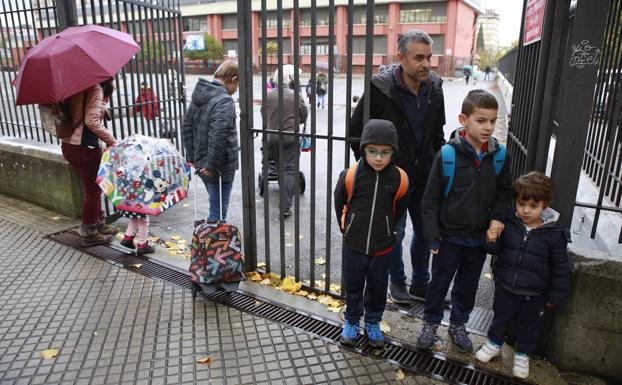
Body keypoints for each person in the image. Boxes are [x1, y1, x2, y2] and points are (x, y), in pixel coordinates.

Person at [350, 29, 446, 305]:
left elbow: (438, 131)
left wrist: (435, 160)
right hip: (394, 178)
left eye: (429, 57)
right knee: (395, 232)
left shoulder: (435, 88)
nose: (426, 64)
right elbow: (357, 132)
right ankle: (397, 284)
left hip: (426, 175)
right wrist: (374, 168)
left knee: (426, 232)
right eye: (419, 58)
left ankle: (420, 284)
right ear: (400, 57)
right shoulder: (381, 88)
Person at [416, 89, 513, 353]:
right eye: (481, 120)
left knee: (468, 286)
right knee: (439, 283)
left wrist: (497, 219)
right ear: (463, 119)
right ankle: (430, 323)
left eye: (492, 121)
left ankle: (458, 324)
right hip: (448, 237)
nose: (488, 127)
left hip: (479, 238)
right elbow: (430, 201)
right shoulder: (447, 155)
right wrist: (433, 236)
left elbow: (505, 192)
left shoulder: (499, 156)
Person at [475, 172, 570, 379]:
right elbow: (495, 250)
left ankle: (522, 354)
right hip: (506, 285)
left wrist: (556, 296)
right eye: (521, 204)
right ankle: (493, 344)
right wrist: (490, 239)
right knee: (500, 317)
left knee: (529, 325)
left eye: (533, 206)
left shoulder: (554, 233)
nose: (526, 210)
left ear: (545, 205)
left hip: (535, 292)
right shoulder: (510, 221)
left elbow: (560, 267)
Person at [334, 119, 410, 349]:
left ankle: (374, 322)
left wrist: (392, 233)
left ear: (393, 152)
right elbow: (339, 203)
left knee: (377, 287)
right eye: (372, 151)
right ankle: (351, 322)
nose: (378, 157)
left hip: (382, 247)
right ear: (363, 150)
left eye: (385, 152)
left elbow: (400, 210)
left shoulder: (399, 178)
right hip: (354, 245)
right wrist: (347, 229)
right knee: (354, 285)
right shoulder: (352, 175)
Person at [61, 78, 118, 247]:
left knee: (92, 188)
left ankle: (98, 223)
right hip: (85, 147)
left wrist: (101, 108)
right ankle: (90, 232)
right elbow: (91, 121)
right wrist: (113, 141)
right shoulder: (94, 88)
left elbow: (81, 112)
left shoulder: (77, 84)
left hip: (69, 144)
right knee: (93, 190)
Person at [181, 60, 240, 222]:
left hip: (202, 162)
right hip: (219, 165)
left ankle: (213, 235)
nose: (236, 90)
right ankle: (216, 241)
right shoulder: (224, 100)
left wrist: (192, 157)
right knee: (219, 211)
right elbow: (219, 134)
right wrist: (211, 165)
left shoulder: (200, 94)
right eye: (238, 85)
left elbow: (186, 126)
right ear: (233, 79)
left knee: (216, 205)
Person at [262, 78, 308, 217]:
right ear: (288, 81)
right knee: (289, 169)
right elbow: (304, 114)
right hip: (290, 138)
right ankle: (285, 206)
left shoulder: (268, 95)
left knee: (279, 167)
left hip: (273, 138)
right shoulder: (296, 95)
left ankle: (285, 196)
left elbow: (263, 113)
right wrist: (298, 120)